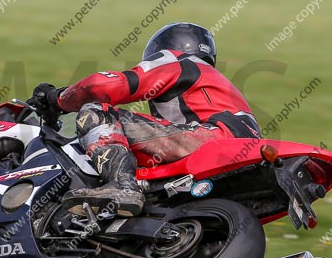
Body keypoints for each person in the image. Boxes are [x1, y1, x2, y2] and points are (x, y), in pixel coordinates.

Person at [31, 22, 260, 217]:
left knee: (96, 111)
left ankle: (122, 186)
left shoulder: (178, 61)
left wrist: (57, 99)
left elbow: (104, 85)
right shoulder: (217, 84)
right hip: (243, 154)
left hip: (212, 138)